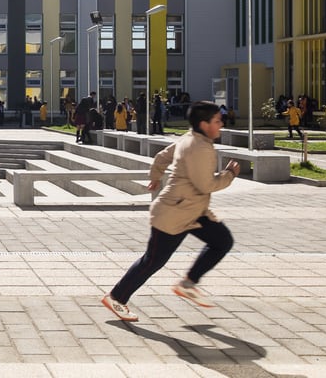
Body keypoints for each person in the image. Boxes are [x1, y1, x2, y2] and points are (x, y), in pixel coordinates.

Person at [101, 102, 240, 322]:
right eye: (216, 121)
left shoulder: (190, 138)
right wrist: (229, 174)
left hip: (192, 211)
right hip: (174, 214)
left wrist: (156, 177)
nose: (221, 123)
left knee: (222, 241)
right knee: (153, 261)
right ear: (204, 124)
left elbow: (162, 157)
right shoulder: (200, 148)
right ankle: (117, 297)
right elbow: (206, 185)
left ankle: (188, 283)